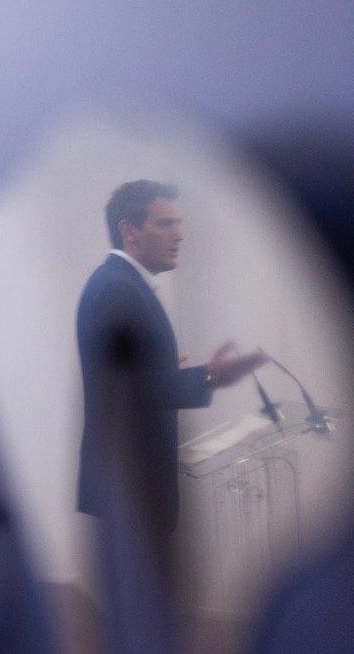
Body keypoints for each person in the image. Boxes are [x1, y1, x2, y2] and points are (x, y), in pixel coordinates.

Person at [76, 180, 266, 533]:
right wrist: (209, 375)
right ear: (129, 230)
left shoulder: (120, 283)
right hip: (131, 487)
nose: (179, 235)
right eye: (165, 224)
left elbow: (129, 382)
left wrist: (168, 373)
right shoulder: (119, 289)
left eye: (179, 224)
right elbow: (132, 393)